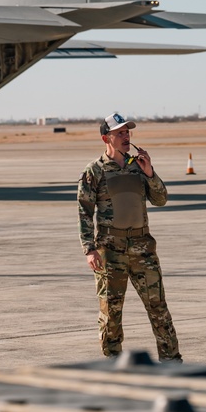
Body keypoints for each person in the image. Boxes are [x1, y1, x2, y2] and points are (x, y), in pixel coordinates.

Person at [77, 112, 181, 363]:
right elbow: (84, 211)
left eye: (127, 132)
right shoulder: (94, 171)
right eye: (119, 133)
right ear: (106, 138)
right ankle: (113, 363)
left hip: (143, 249)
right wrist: (89, 249)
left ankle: (172, 362)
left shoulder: (138, 166)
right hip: (110, 251)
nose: (126, 136)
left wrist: (150, 173)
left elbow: (161, 199)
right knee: (111, 313)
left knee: (159, 309)